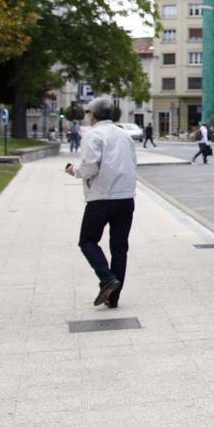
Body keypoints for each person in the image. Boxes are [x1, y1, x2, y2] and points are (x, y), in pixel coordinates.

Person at [64, 97, 137, 308]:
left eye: (88, 112)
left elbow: (90, 167)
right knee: (119, 247)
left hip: (102, 197)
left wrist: (74, 171)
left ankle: (106, 278)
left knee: (87, 240)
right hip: (126, 197)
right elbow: (133, 162)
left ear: (92, 115)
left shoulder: (93, 134)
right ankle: (113, 298)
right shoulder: (125, 135)